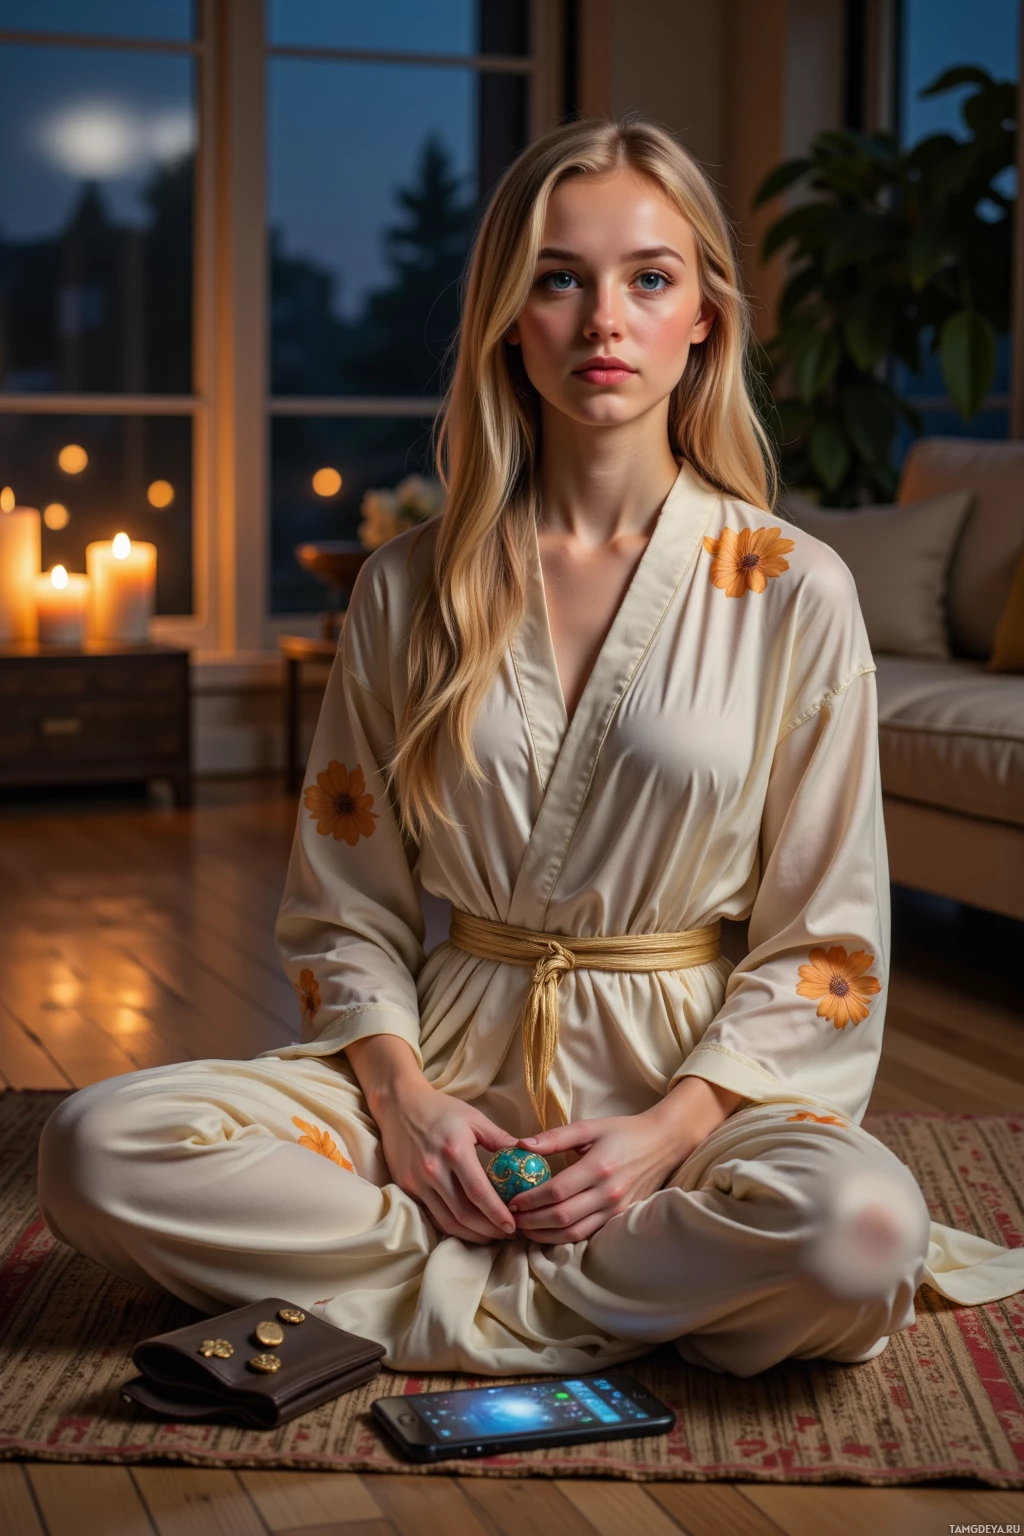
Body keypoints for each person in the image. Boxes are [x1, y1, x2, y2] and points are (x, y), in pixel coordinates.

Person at [38, 116, 1024, 1380]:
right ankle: (602, 1280)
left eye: (648, 278)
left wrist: (664, 1138)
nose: (603, 319)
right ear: (510, 316)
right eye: (559, 277)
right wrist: (403, 1107)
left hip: (694, 1085)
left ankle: (423, 1286)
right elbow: (345, 911)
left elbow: (825, 941)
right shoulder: (409, 586)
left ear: (704, 319)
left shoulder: (795, 590)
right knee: (96, 1148)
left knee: (863, 1234)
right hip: (453, 1060)